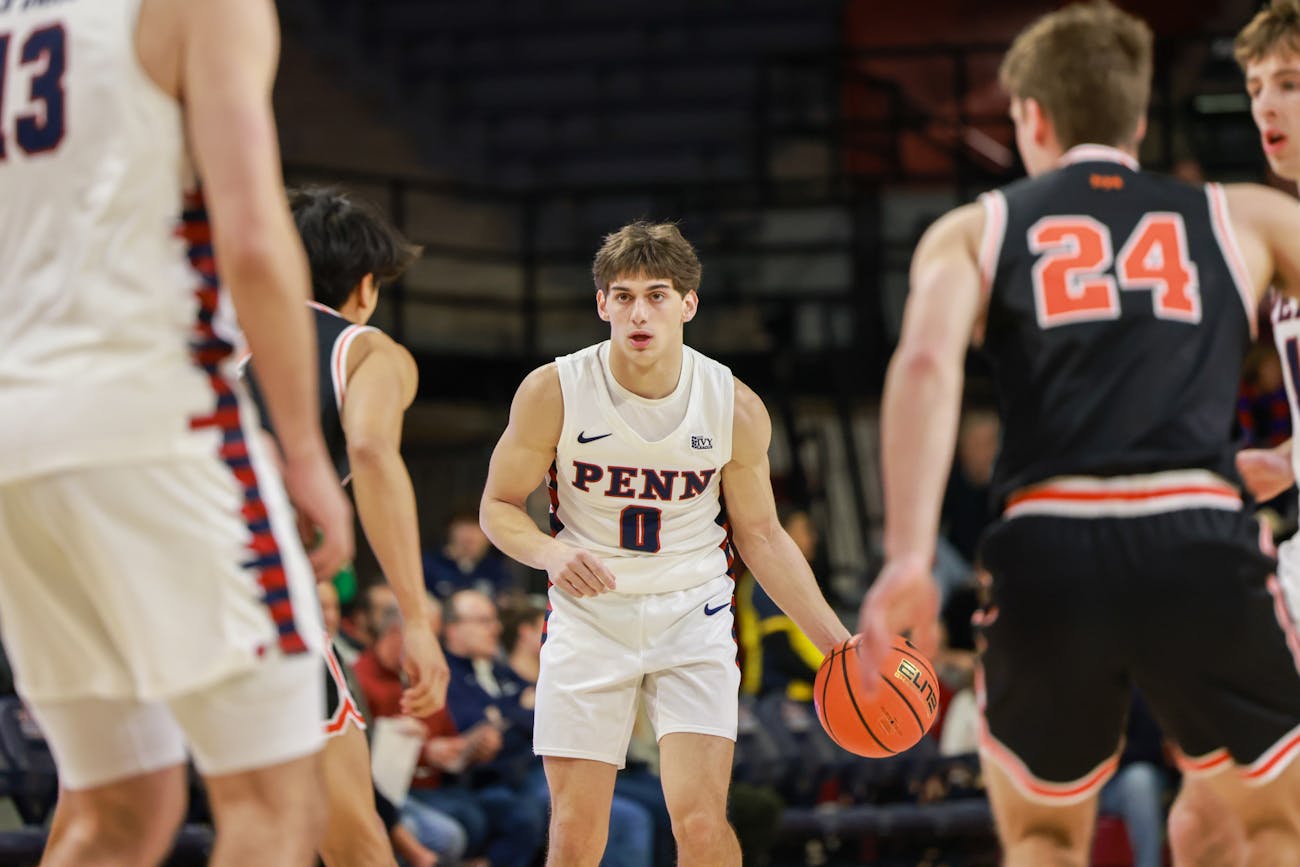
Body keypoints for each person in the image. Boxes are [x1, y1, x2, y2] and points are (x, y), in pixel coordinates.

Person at [856, 2, 1300, 864]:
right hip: (1197, 534)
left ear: (1032, 117)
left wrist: (907, 557)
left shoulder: (974, 227)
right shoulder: (1238, 216)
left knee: (1047, 837)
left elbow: (922, 367)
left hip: (1049, 542)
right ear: (1137, 118)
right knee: (1271, 826)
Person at [0, 0, 357, 864]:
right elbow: (255, 236)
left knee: (114, 808)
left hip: (20, 433)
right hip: (155, 419)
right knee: (276, 805)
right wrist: (305, 449)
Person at [480, 220, 850, 866]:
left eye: (656, 294)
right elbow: (498, 505)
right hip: (590, 614)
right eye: (622, 296)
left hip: (693, 611)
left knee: (703, 824)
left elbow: (761, 535)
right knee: (573, 832)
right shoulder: (553, 391)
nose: (639, 312)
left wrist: (838, 644)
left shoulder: (732, 404)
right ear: (602, 305)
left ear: (688, 303)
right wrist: (551, 552)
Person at [243, 186, 449, 866]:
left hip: (125, 579)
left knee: (111, 823)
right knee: (354, 839)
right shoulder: (365, 351)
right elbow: (369, 449)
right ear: (365, 287)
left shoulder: (206, 334)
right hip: (248, 588)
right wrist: (416, 618)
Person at [424, 509, 518, 601]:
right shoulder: (429, 565)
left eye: (477, 529)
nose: (470, 535)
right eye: (463, 528)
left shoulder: (496, 569)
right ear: (450, 532)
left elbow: (508, 598)